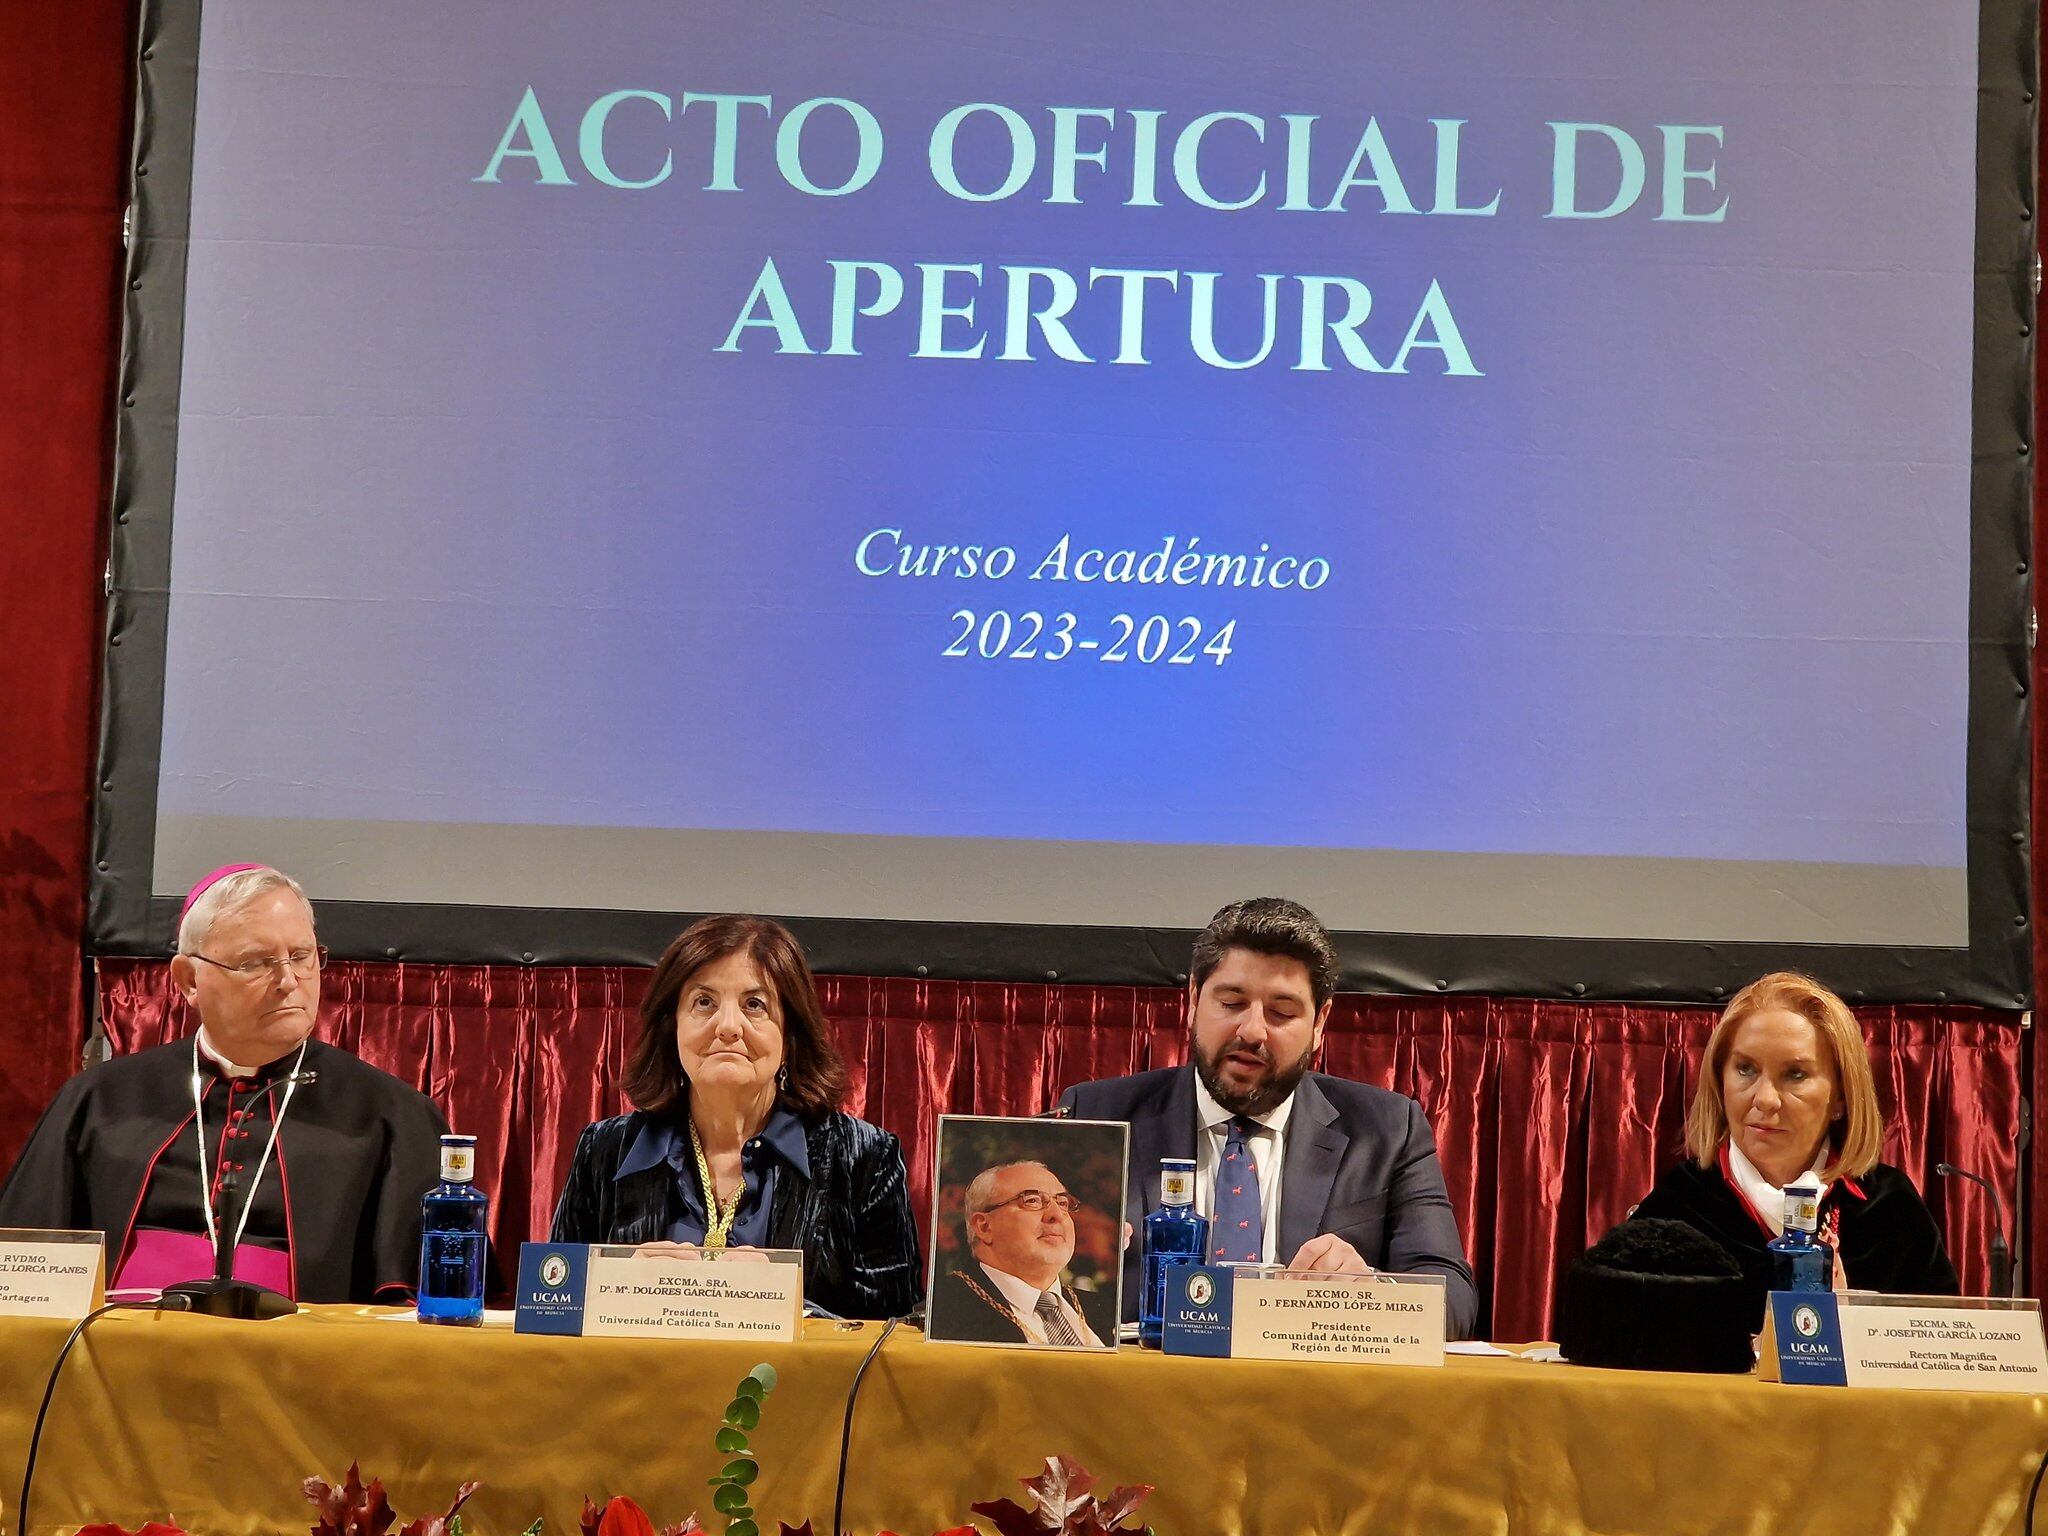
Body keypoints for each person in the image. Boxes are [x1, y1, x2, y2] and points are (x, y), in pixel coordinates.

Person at [0, 864, 448, 1303]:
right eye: (256, 963)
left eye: (301, 956)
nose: (288, 982)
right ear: (189, 980)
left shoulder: (391, 1113)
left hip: (299, 1363)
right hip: (113, 1351)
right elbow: (24, 1272)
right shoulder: (99, 1099)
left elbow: (419, 1303)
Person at [1057, 897, 1479, 1339]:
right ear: (1194, 999)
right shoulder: (1098, 1117)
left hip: (1308, 1397)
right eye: (1232, 1002)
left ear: (1320, 1022)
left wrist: (1368, 1293)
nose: (1253, 1031)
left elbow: (1452, 1299)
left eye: (1281, 1013)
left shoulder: (1387, 1129)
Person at [550, 914, 920, 1320]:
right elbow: (552, 1303)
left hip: (804, 1385)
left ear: (791, 1033)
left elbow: (897, 1328)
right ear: (671, 1025)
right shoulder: (604, 1150)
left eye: (754, 1005)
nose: (727, 1026)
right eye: (703, 1002)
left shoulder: (864, 1157)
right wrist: (620, 1289)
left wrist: (777, 1302)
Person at [1629, 970, 1958, 1325]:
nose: (1765, 1099)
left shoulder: (1889, 1209)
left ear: (1840, 1097)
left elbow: (1939, 1357)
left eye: (1795, 1074)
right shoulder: (1679, 1205)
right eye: (1745, 1069)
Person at [926, 1159, 1117, 1347]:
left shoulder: (1105, 1310)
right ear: (984, 1227)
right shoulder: (941, 1309)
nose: (1056, 1215)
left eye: (1062, 1203)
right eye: (1032, 1201)